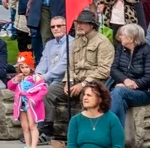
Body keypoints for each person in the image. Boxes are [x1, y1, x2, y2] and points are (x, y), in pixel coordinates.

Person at [40, 9, 114, 139]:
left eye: (83, 23)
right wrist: (67, 81)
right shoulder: (75, 42)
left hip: (93, 82)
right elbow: (70, 66)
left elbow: (103, 70)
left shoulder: (103, 43)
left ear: (92, 25)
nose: (78, 25)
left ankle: (83, 134)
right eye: (77, 22)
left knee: (86, 94)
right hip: (75, 82)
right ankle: (47, 130)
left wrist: (83, 84)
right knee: (49, 91)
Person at [66, 81, 124, 148]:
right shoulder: (75, 120)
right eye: (84, 95)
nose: (85, 97)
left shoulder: (112, 119)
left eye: (89, 95)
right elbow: (72, 146)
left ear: (100, 99)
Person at [108, 23, 150, 127]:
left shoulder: (148, 52)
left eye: (123, 35)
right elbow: (113, 69)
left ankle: (105, 125)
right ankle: (118, 139)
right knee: (120, 101)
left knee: (118, 91)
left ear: (131, 38)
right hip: (123, 89)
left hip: (144, 92)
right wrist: (125, 80)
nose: (120, 37)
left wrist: (130, 85)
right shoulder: (121, 48)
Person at [8, 51, 47, 148]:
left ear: (31, 67)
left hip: (31, 104)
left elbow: (42, 88)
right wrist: (16, 79)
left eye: (26, 67)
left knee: (32, 125)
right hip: (22, 105)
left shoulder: (35, 77)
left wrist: (33, 99)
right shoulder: (20, 78)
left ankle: (34, 147)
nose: (24, 69)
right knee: (24, 126)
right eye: (22, 67)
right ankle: (28, 145)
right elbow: (10, 86)